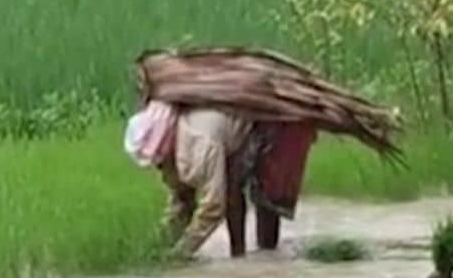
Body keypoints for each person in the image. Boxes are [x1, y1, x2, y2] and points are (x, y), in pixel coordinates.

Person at [127, 46, 401, 260]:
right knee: (232, 188)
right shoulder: (173, 151)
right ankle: (240, 258)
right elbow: (182, 205)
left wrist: (181, 253)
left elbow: (212, 208)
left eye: (157, 163)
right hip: (238, 131)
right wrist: (156, 248)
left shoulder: (198, 145)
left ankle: (268, 260)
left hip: (277, 123)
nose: (158, 169)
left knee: (266, 200)